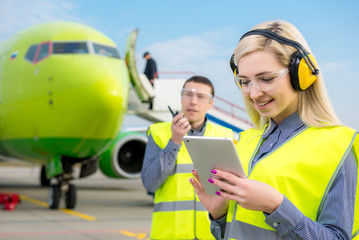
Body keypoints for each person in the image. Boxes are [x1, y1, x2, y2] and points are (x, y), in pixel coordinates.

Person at [190, 20, 359, 240]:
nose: (254, 94)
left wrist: (276, 206)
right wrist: (219, 214)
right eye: (244, 81)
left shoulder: (339, 146)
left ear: (302, 74)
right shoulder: (245, 141)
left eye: (266, 78)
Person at [141, 75, 234, 240]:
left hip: (212, 235)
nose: (193, 101)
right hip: (169, 234)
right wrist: (174, 141)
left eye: (201, 96)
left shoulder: (225, 136)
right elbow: (150, 183)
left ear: (210, 104)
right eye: (188, 94)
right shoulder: (158, 133)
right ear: (181, 98)